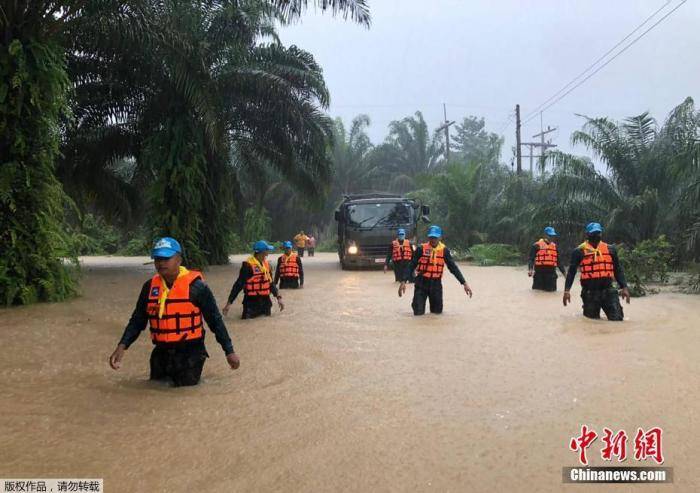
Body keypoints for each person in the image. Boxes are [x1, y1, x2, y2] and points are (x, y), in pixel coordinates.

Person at [108, 237, 240, 387]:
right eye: (157, 259)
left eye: (166, 258)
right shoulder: (149, 288)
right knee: (156, 392)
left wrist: (229, 351)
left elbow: (215, 321)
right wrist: (122, 345)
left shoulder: (197, 287)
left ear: (179, 260)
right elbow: (138, 320)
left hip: (190, 354)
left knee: (185, 394)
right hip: (161, 354)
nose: (161, 263)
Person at [398, 225, 473, 315]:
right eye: (431, 237)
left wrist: (464, 283)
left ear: (440, 237)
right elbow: (411, 265)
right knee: (418, 312)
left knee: (436, 314)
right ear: (428, 237)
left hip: (436, 284)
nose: (433, 240)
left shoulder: (444, 251)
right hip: (421, 283)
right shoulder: (421, 249)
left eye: (435, 237)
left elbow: (453, 268)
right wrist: (403, 281)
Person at [563, 222, 631, 321]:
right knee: (592, 322)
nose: (596, 236)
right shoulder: (579, 251)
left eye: (598, 233)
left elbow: (617, 269)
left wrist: (624, 287)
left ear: (601, 234)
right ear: (588, 235)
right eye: (593, 234)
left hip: (608, 291)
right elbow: (571, 272)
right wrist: (567, 291)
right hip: (590, 293)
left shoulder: (610, 249)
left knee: (617, 320)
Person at [223, 240, 284, 319]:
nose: (268, 252)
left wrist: (278, 298)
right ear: (262, 252)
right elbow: (239, 284)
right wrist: (229, 303)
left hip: (265, 303)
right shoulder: (247, 266)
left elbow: (270, 283)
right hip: (250, 304)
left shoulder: (266, 265)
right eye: (267, 250)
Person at [528, 226, 567, 291]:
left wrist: (565, 274)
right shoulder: (536, 245)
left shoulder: (555, 247)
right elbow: (531, 259)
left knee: (551, 294)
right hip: (539, 275)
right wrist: (530, 269)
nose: (551, 237)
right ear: (545, 235)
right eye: (550, 235)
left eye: (552, 236)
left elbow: (559, 262)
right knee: (537, 293)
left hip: (551, 276)